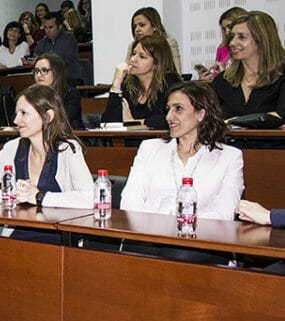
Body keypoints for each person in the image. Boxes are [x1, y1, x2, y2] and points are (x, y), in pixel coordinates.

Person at [121, 81, 244, 221]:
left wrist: (184, 228)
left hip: (200, 238)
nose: (168, 117)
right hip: (149, 237)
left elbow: (225, 212)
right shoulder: (150, 148)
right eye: (168, 109)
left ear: (201, 114)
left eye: (178, 108)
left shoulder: (230, 157)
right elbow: (130, 200)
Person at [0, 84, 93, 209]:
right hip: (20, 225)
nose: (16, 120)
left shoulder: (68, 149)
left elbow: (89, 198)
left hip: (56, 226)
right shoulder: (12, 148)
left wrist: (39, 197)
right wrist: (13, 195)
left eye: (24, 113)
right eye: (17, 113)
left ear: (48, 116)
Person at [211, 11, 285, 121]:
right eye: (232, 37)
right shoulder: (223, 81)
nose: (232, 43)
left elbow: (281, 118)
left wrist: (234, 121)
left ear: (262, 40)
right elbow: (211, 121)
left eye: (242, 37)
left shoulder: (281, 75)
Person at [101, 35, 181, 129]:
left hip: (161, 141)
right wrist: (116, 85)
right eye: (134, 54)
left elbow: (171, 119)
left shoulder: (170, 83)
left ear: (156, 63)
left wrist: (134, 123)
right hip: (130, 143)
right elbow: (108, 124)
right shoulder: (127, 85)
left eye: (142, 57)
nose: (133, 59)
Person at [32, 12, 84, 85]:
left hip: (69, 79)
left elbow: (62, 60)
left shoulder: (69, 39)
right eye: (45, 27)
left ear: (60, 27)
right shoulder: (42, 42)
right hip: (49, 80)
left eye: (50, 27)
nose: (47, 30)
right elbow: (36, 58)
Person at [33, 53, 83, 129]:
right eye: (36, 71)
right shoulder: (31, 95)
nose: (38, 75)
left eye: (44, 70)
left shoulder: (71, 94)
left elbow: (61, 119)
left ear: (56, 72)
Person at [198, 7, 247, 80]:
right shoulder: (222, 48)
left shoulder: (248, 47)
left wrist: (224, 74)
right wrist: (209, 78)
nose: (227, 32)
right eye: (224, 29)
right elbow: (218, 75)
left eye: (229, 26)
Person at [127, 7, 181, 73]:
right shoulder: (133, 46)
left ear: (154, 26)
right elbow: (127, 71)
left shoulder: (169, 43)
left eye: (142, 25)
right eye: (135, 26)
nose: (137, 29)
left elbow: (177, 73)